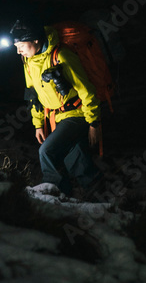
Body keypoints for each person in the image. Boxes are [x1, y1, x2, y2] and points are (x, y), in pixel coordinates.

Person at [10, 17, 104, 198]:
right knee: (75, 159)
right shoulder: (28, 62)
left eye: (21, 45)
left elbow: (87, 91)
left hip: (78, 113)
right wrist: (38, 124)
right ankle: (101, 197)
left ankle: (53, 195)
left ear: (35, 40)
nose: (18, 51)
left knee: (47, 151)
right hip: (58, 117)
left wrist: (94, 122)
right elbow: (33, 96)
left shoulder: (61, 56)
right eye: (16, 47)